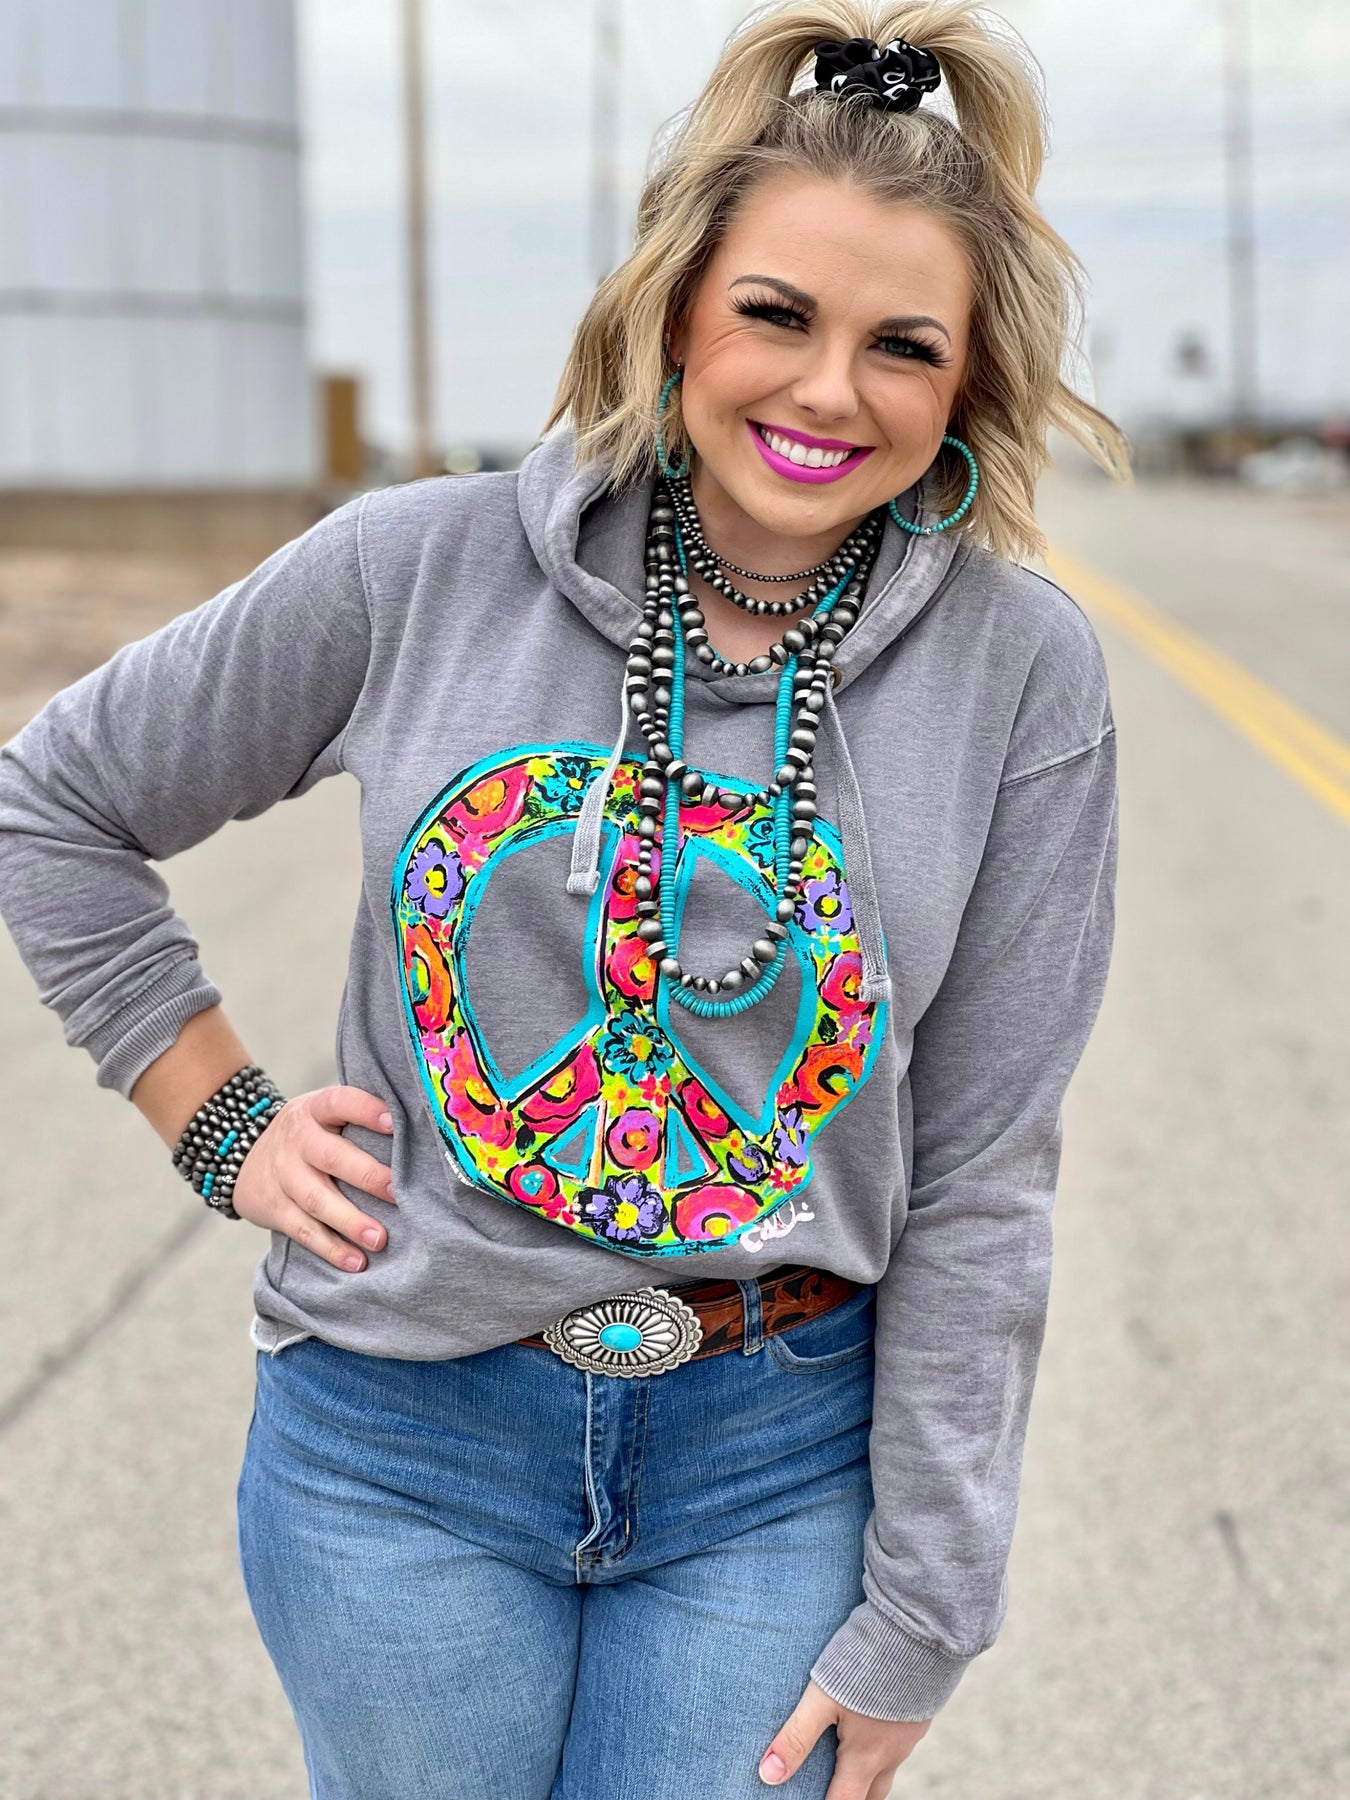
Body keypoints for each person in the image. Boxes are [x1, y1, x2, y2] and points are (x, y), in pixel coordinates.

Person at [0, 4, 1128, 1796]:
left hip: (775, 1465)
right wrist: (216, 1118)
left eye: (901, 347)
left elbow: (985, 1175)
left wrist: (928, 1606)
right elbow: (54, 800)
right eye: (776, 315)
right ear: (674, 312)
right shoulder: (414, 570)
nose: (828, 392)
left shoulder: (1021, 676)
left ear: (963, 388)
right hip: (398, 1449)